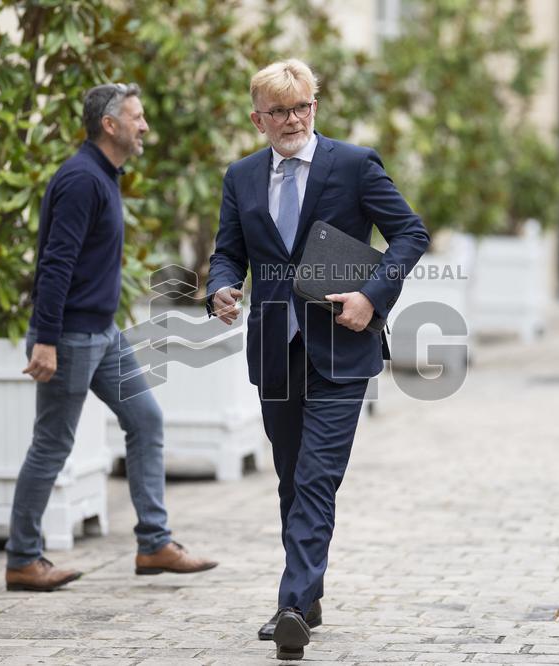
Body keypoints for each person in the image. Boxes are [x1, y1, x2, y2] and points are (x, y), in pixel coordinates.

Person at [207, 59, 429, 660]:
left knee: (315, 477)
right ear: (258, 119)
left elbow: (410, 233)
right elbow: (228, 253)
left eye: (301, 107)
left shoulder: (354, 166)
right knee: (289, 479)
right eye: (278, 111)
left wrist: (371, 296)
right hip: (274, 351)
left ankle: (289, 605)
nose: (292, 119)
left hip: (342, 349)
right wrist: (220, 287)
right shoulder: (241, 177)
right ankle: (308, 597)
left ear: (314, 107)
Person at [5, 83, 217, 592]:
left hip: (102, 332)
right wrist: (46, 340)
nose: (145, 126)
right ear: (110, 124)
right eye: (137, 117)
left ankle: (154, 544)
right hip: (73, 336)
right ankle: (23, 558)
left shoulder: (103, 176)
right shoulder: (82, 180)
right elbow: (55, 265)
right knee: (53, 444)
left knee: (146, 420)